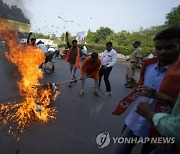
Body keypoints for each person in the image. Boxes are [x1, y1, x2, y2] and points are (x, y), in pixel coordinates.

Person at [112, 27, 180, 154]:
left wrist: (161, 97)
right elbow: (143, 89)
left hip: (160, 128)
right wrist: (136, 86)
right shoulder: (149, 65)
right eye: (159, 48)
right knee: (120, 150)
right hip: (135, 119)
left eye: (170, 47)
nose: (163, 52)